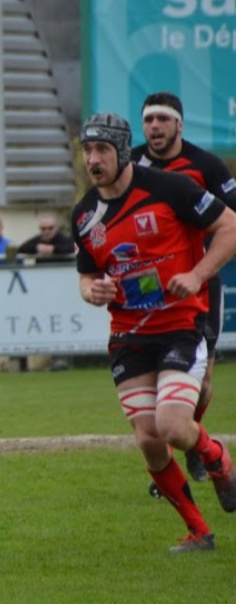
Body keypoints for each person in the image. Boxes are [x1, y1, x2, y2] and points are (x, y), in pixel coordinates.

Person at [72, 112, 236, 551]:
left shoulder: (169, 188)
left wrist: (199, 273)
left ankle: (218, 461)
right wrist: (94, 291)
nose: (93, 159)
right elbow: (86, 277)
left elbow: (229, 227)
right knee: (148, 440)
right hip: (129, 336)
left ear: (123, 151)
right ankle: (199, 531)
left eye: (102, 149)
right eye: (87, 150)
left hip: (181, 326)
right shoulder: (85, 214)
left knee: (173, 426)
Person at [131, 91, 236, 484]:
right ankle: (169, 458)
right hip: (148, 287)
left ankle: (193, 437)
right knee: (152, 375)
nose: (155, 126)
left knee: (203, 382)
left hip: (199, 282)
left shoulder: (205, 165)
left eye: (162, 119)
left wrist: (202, 261)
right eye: (148, 120)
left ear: (179, 124)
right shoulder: (131, 163)